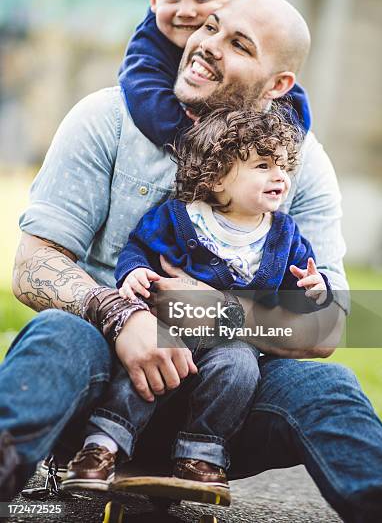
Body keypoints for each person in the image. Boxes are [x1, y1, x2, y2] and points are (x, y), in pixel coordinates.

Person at [2, 0, 382, 522]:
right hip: (101, 392)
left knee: (327, 386)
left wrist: (215, 310)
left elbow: (329, 328)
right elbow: (32, 265)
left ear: (278, 86)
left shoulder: (301, 168)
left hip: (223, 411)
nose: (207, 45)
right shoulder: (106, 118)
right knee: (60, 332)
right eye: (211, 26)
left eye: (238, 43)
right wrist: (121, 314)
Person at [62, 107, 332, 494]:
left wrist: (314, 286)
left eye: (284, 167)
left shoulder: (285, 235)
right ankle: (103, 445)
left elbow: (297, 291)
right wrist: (134, 271)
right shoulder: (182, 217)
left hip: (231, 340)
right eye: (263, 165)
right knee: (149, 363)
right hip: (174, 326)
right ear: (218, 177)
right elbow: (140, 245)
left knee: (240, 368)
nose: (280, 177)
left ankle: (200, 456)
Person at [118, 0, 312, 147]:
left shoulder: (261, 62)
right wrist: (195, 141)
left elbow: (291, 100)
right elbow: (144, 94)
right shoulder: (150, 41)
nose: (186, 11)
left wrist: (279, 145)